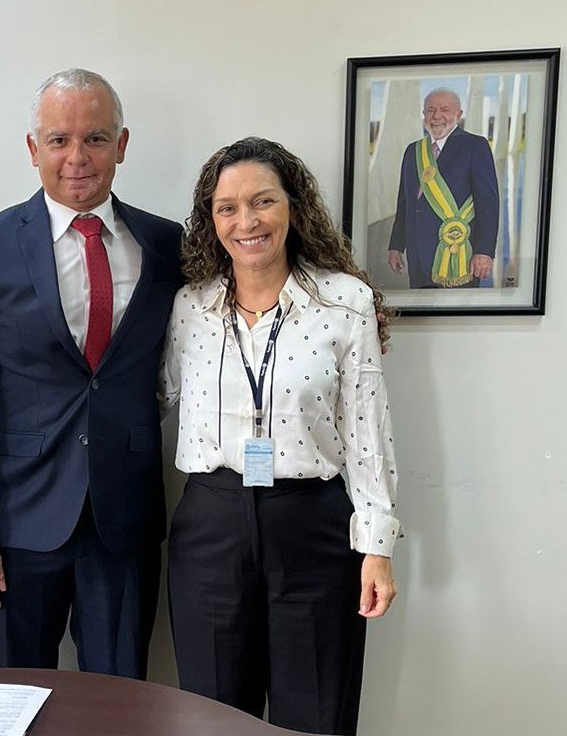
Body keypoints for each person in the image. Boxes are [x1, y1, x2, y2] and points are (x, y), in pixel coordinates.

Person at [0, 69, 182, 678]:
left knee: (119, 705)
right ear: (33, 148)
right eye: (59, 140)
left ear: (121, 145)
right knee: (14, 699)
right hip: (15, 521)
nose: (77, 157)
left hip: (124, 521)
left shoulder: (169, 244)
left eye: (95, 139)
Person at [159, 137, 400, 735]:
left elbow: (368, 430)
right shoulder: (190, 306)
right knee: (213, 715)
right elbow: (153, 398)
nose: (246, 222)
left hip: (313, 526)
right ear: (210, 220)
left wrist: (377, 545)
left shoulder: (345, 302)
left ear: (293, 207)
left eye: (262, 201)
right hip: (210, 523)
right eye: (227, 208)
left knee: (316, 713)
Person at [388, 87, 499, 288]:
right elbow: (405, 202)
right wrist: (396, 245)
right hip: (418, 256)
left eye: (444, 109)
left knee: (458, 318)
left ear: (459, 114)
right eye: (430, 110)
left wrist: (484, 251)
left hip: (459, 253)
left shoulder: (475, 146)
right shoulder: (413, 151)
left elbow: (488, 204)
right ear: (423, 115)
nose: (436, 116)